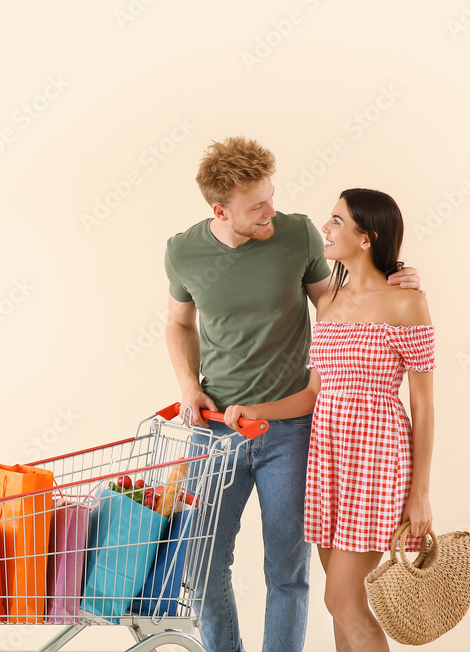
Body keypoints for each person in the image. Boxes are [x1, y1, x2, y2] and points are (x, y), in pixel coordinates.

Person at [164, 137, 420, 652]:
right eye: (257, 206)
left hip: (295, 429)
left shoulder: (298, 235)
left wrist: (391, 280)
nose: (271, 212)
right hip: (216, 432)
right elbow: (178, 323)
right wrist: (189, 387)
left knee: (288, 569)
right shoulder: (183, 251)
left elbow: (333, 303)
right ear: (221, 210)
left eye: (271, 197)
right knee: (202, 564)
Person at [224, 188, 434, 651]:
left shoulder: (408, 303)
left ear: (366, 238)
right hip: (328, 460)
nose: (326, 227)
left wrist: (419, 494)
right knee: (343, 603)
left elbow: (423, 406)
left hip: (377, 462)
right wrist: (258, 410)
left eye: (337, 221)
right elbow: (314, 393)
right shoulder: (331, 301)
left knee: (341, 599)